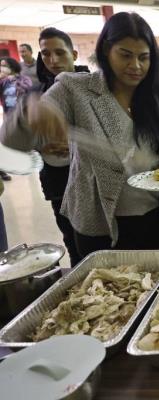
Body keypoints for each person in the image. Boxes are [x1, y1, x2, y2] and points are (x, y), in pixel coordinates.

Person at [1, 12, 159, 259]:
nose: (135, 66)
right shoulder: (74, 89)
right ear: (105, 51)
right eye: (125, 55)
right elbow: (12, 141)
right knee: (108, 293)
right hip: (101, 224)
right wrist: (29, 113)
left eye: (144, 58)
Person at [1, 28, 89, 266]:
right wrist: (41, 145)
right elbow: (17, 143)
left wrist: (75, 146)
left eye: (60, 52)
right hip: (57, 180)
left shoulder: (94, 88)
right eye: (46, 54)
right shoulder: (37, 94)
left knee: (97, 240)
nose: (53, 60)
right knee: (72, 240)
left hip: (92, 180)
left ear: (74, 53)